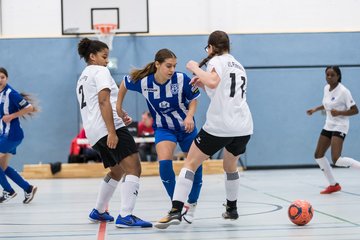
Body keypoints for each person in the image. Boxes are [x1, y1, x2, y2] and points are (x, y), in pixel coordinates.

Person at [154, 30, 253, 229]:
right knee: (230, 166)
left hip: (220, 126)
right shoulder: (238, 65)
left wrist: (194, 68)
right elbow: (222, 91)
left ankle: (176, 209)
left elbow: (214, 81)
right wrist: (204, 84)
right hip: (243, 127)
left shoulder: (217, 61)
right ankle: (232, 208)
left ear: (210, 47)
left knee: (189, 163)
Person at [116, 48, 203, 224]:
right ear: (157, 64)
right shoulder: (144, 82)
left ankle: (192, 203)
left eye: (174, 66)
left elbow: (194, 99)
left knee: (195, 166)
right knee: (164, 164)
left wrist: (189, 116)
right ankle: (177, 206)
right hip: (164, 128)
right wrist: (118, 107)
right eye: (168, 66)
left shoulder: (181, 79)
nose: (172, 70)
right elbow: (124, 83)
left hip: (186, 127)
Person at [76, 38, 152, 228]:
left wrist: (119, 113)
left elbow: (100, 103)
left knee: (117, 170)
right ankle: (126, 216)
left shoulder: (83, 76)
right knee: (134, 168)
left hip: (94, 132)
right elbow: (102, 101)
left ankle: (99, 211)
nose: (107, 61)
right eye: (104, 56)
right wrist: (112, 130)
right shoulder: (100, 71)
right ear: (92, 57)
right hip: (108, 128)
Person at [306, 66, 359, 194]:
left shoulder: (344, 91)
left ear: (338, 76)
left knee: (337, 160)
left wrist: (340, 112)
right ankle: (333, 185)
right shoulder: (326, 88)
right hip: (329, 125)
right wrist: (315, 109)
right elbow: (327, 104)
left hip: (340, 126)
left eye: (332, 75)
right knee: (318, 155)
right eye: (327, 75)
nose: (329, 77)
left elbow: (355, 110)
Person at [0, 67, 38, 204]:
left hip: (12, 135)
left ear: (7, 78)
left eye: (2, 77)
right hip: (5, 135)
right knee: (2, 167)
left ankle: (8, 191)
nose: (0, 80)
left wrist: (12, 116)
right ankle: (28, 188)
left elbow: (29, 108)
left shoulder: (11, 93)